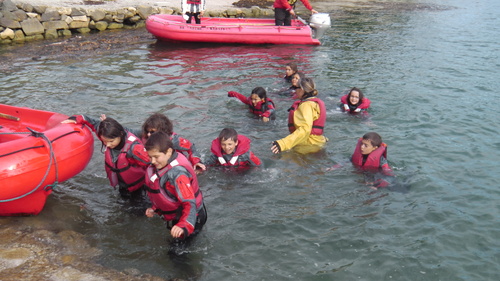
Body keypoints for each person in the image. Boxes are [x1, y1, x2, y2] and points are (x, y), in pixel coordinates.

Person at [63, 115, 150, 198]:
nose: (108, 145)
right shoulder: (105, 134)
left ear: (121, 134)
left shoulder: (135, 149)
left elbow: (152, 164)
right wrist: (75, 119)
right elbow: (91, 122)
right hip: (122, 186)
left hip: (138, 188)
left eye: (111, 141)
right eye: (105, 141)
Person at [144, 132, 207, 240]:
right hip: (179, 214)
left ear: (168, 152)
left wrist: (184, 225)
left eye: (156, 157)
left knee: (177, 253)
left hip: (193, 217)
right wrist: (155, 209)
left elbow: (189, 203)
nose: (152, 161)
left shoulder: (178, 174)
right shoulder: (164, 164)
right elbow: (167, 194)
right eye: (150, 157)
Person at [271, 77, 327, 154]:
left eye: (296, 88)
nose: (295, 91)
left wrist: (283, 143)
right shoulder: (314, 103)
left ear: (302, 90)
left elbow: (304, 129)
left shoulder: (306, 105)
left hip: (307, 146)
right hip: (317, 142)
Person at [140, 113, 206, 172]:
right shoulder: (146, 138)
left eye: (152, 132)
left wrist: (196, 162)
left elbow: (191, 147)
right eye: (147, 131)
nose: (148, 134)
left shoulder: (174, 140)